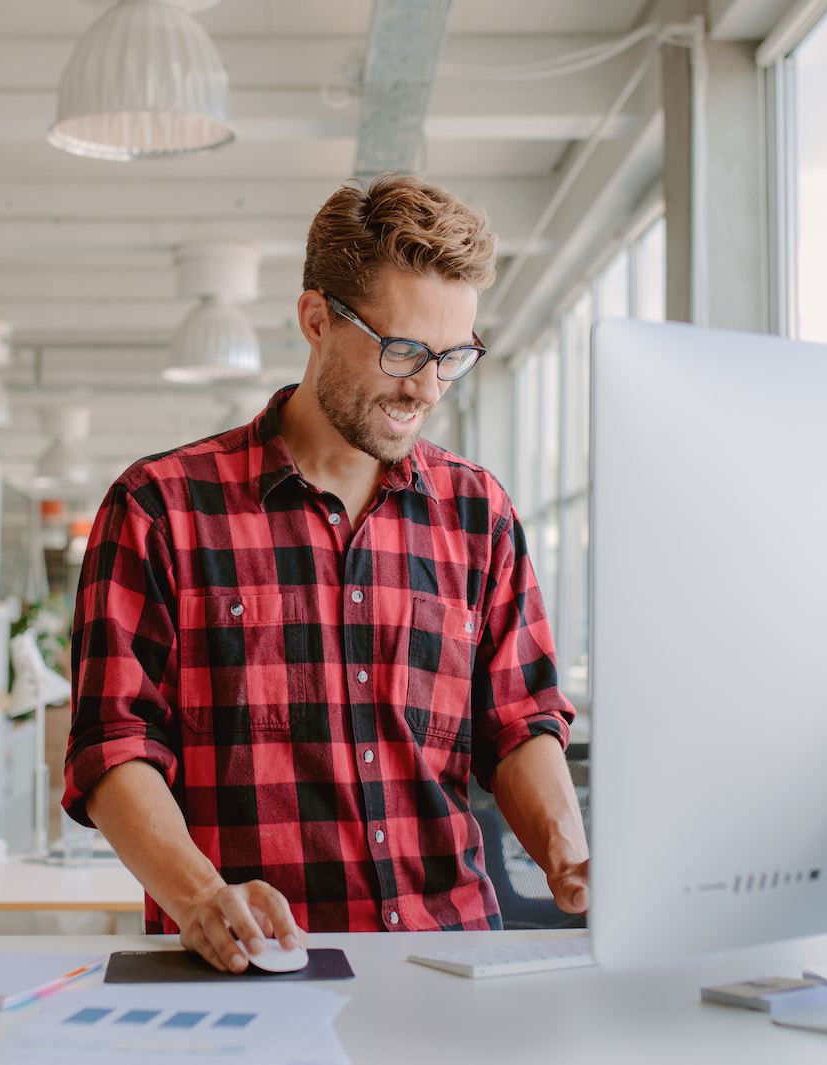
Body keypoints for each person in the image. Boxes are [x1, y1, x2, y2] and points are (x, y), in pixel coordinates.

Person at [63, 174, 589, 973]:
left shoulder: (477, 512)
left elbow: (518, 721)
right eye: (402, 350)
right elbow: (113, 744)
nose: (426, 387)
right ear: (316, 319)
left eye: (453, 357)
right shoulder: (159, 507)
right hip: (253, 967)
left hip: (448, 962)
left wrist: (571, 858)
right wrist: (201, 896)